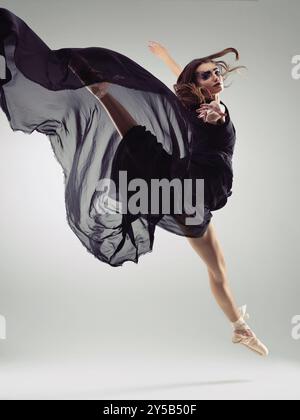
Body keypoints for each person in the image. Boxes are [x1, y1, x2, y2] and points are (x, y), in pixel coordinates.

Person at [0, 9, 268, 356]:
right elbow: (192, 97)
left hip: (196, 192)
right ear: (196, 86)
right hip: (188, 184)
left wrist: (167, 58)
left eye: (216, 72)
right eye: (207, 75)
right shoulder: (201, 110)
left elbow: (183, 79)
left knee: (218, 268)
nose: (216, 77)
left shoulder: (211, 99)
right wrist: (210, 117)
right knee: (139, 143)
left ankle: (240, 329)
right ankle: (101, 95)